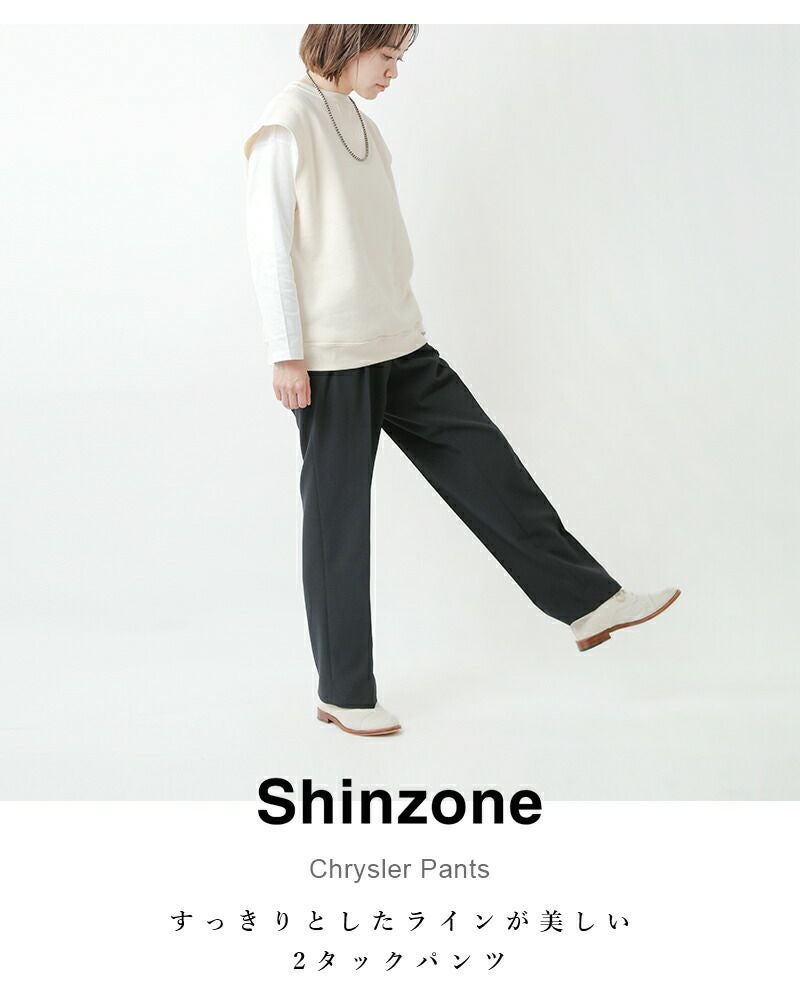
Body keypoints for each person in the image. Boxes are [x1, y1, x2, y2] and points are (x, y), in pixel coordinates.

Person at [242, 24, 680, 738]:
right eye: (387, 55)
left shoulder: (361, 123)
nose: (394, 71)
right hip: (331, 356)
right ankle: (343, 691)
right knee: (337, 524)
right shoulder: (286, 122)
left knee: (485, 464)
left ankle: (588, 603)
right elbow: (269, 244)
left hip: (398, 339)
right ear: (348, 41)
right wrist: (285, 352)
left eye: (400, 58)